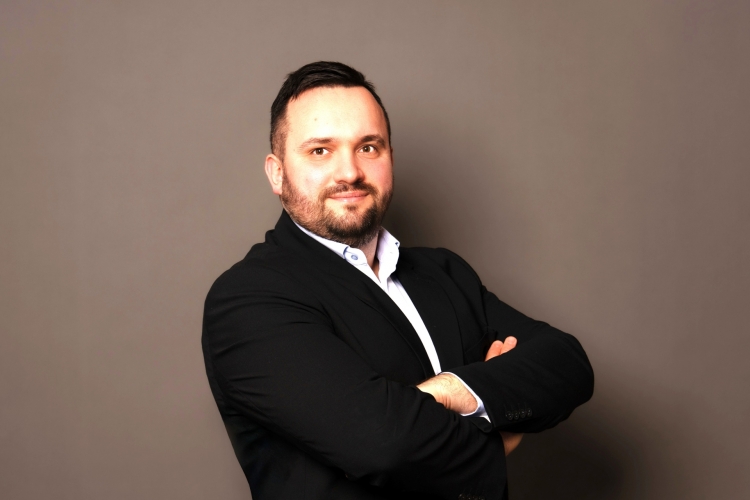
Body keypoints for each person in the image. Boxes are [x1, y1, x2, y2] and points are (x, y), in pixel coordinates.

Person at [202, 61, 594, 500]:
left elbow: (568, 365)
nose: (350, 172)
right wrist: (495, 434)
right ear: (277, 173)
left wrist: (451, 391)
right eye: (320, 151)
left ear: (390, 156)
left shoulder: (444, 273)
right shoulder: (248, 300)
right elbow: (382, 442)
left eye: (368, 147)